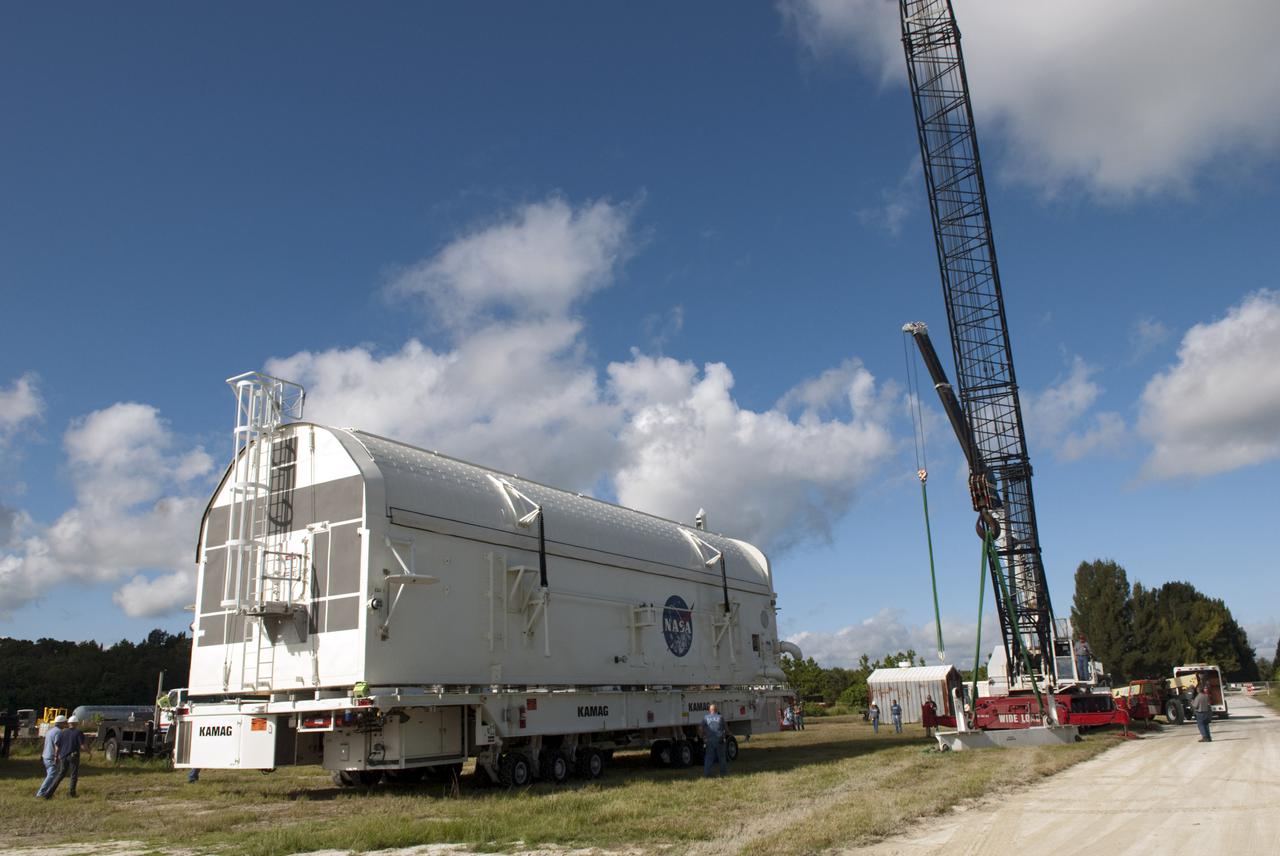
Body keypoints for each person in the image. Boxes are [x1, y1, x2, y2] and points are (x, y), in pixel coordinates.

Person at [45, 715, 88, 798]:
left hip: (63, 756)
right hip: (73, 756)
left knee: (61, 774)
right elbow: (82, 746)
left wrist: (56, 756)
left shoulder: (62, 732)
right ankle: (72, 793)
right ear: (76, 723)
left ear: (68, 723)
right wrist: (89, 753)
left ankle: (48, 793)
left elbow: (57, 746)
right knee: (73, 775)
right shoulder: (78, 732)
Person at [34, 714, 66, 799]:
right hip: (51, 757)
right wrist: (56, 757)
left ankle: (47, 793)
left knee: (51, 775)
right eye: (64, 723)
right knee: (51, 776)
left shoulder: (50, 731)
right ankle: (41, 793)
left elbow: (46, 744)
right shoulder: (59, 732)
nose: (66, 724)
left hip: (46, 756)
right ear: (61, 723)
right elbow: (57, 745)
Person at [701, 703, 728, 777]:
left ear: (710, 710)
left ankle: (707, 774)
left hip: (709, 740)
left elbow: (701, 729)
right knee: (722, 758)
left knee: (709, 758)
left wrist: (703, 737)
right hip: (719, 740)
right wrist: (726, 734)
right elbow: (726, 729)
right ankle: (723, 774)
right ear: (716, 710)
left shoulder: (705, 718)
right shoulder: (720, 717)